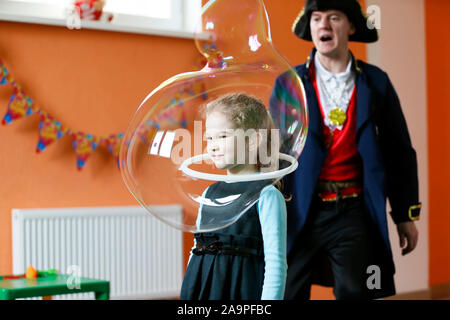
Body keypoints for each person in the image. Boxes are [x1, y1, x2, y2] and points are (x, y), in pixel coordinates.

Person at [270, 0, 421, 300]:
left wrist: (405, 214)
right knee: (283, 292)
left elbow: (399, 151)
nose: (323, 25)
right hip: (299, 209)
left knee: (357, 290)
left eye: (334, 17)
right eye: (316, 19)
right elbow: (271, 152)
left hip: (351, 210)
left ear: (351, 26)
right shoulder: (289, 82)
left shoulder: (376, 82)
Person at [180, 93, 288, 300]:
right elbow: (198, 248)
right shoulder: (209, 193)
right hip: (203, 288)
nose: (213, 145)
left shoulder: (267, 195)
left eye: (223, 136)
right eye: (209, 138)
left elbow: (276, 263)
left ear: (253, 140)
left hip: (241, 289)